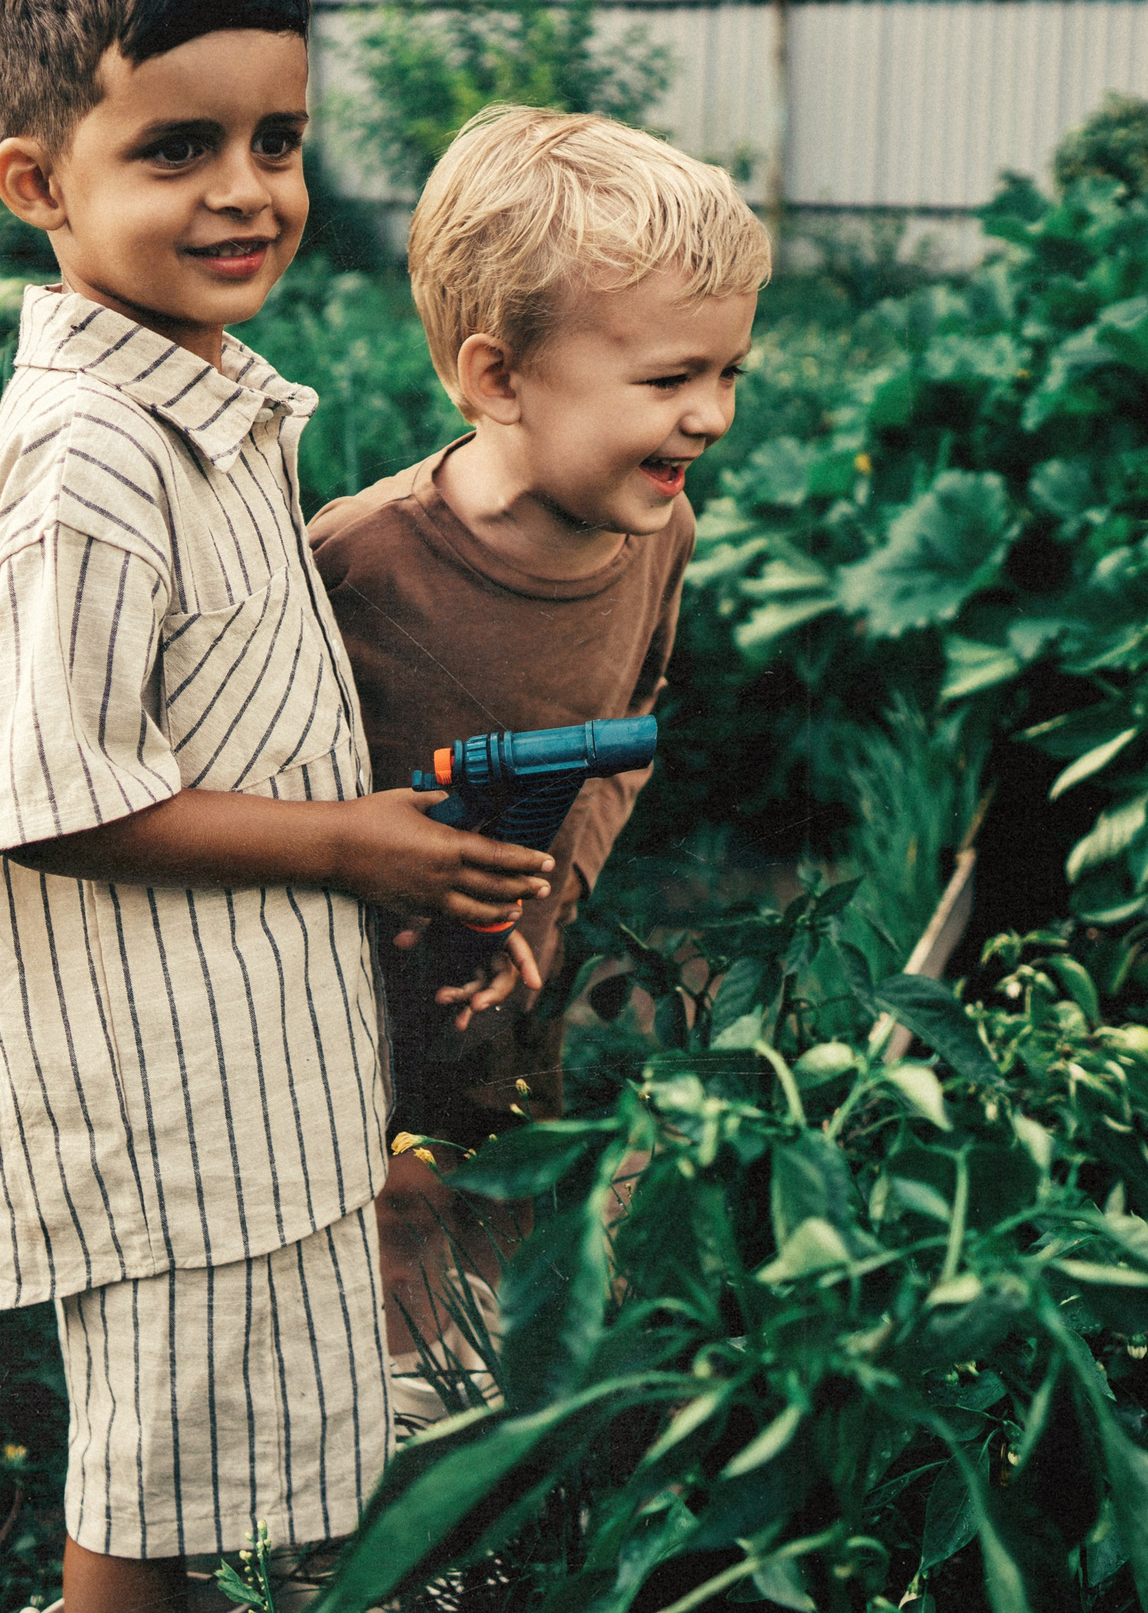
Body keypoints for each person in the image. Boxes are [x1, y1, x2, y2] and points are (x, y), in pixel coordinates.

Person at [0, 0, 556, 1613]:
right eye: (177, 148)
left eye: (276, 141)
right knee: (147, 1483)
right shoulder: (89, 462)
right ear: (38, 184)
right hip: (162, 1108)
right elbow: (50, 796)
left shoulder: (196, 406)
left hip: (248, 1076)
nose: (246, 190)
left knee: (233, 1452)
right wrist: (354, 844)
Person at [307, 105, 769, 1409]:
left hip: (516, 959)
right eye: (668, 381)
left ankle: (507, 1405)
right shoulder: (359, 567)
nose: (712, 417)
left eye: (730, 374)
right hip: (344, 990)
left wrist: (548, 896)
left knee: (509, 1162)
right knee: (382, 1213)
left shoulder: (658, 533)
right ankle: (386, 1445)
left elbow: (629, 719)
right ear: (499, 379)